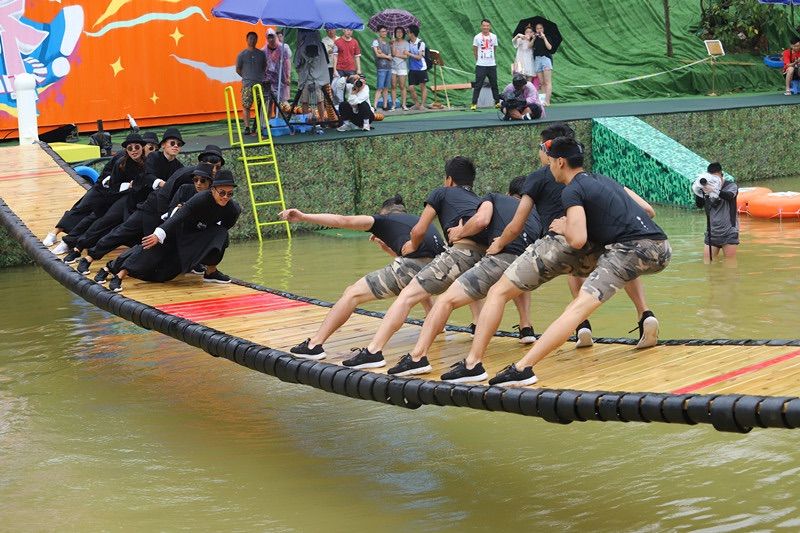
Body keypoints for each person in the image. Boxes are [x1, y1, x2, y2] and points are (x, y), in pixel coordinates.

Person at [468, 138, 672, 386]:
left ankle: (524, 367)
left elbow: (577, 240)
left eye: (551, 162)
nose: (549, 167)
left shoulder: (572, 190)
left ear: (560, 162)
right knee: (592, 286)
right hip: (662, 247)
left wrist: (565, 226)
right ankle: (643, 314)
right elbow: (648, 211)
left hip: (631, 249)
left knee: (577, 307)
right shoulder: (603, 179)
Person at [342, 156, 489, 370]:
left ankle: (375, 351)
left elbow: (419, 229)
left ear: (448, 180)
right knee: (454, 292)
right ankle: (476, 333)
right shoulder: (479, 200)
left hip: (461, 252)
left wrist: (412, 244)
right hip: (484, 259)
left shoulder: (441, 193)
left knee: (407, 296)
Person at [386, 176, 542, 378]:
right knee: (499, 295)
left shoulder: (494, 198)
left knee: (445, 301)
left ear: (509, 193)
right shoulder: (537, 214)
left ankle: (419, 357)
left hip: (501, 258)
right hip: (529, 265)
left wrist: (460, 232)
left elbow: (481, 221)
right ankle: (525, 327)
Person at [281, 195, 446, 361]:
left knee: (352, 293)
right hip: (441, 269)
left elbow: (342, 220)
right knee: (414, 282)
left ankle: (314, 345)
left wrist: (303, 216)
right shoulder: (419, 221)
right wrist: (384, 245)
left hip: (415, 266)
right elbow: (412, 257)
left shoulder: (383, 219)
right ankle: (436, 326)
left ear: (384, 212)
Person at [105, 170, 241, 292]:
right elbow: (179, 216)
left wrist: (204, 239)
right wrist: (159, 234)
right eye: (222, 193)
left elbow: (225, 226)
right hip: (176, 231)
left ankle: (211, 272)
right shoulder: (200, 198)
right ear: (213, 190)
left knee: (221, 234)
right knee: (151, 249)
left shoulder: (233, 209)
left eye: (229, 194)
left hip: (194, 236)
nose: (225, 197)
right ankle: (118, 274)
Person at [77, 161, 219, 278]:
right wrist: (166, 220)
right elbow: (165, 193)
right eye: (214, 166)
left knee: (152, 249)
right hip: (155, 207)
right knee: (129, 235)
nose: (199, 183)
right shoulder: (185, 176)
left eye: (218, 166)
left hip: (170, 218)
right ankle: (90, 258)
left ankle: (120, 270)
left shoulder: (212, 191)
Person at [62, 133, 148, 263]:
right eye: (130, 148)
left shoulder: (150, 162)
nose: (134, 150)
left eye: (137, 147)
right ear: (126, 150)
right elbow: (112, 185)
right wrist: (128, 185)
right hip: (121, 198)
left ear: (142, 148)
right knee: (103, 220)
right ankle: (78, 248)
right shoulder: (121, 164)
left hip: (141, 202)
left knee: (126, 231)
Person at [692, 162, 739, 261]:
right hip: (712, 232)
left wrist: (715, 190)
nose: (714, 181)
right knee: (708, 262)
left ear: (721, 175)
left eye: (716, 179)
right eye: (711, 179)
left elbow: (729, 196)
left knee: (730, 265)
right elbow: (699, 205)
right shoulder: (706, 188)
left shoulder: (731, 185)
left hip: (729, 231)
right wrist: (700, 191)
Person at [236, 31, 268, 136]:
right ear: (246, 39)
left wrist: (258, 77)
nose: (252, 40)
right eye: (250, 38)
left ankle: (259, 126)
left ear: (257, 40)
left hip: (259, 84)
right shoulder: (241, 54)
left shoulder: (261, 54)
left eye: (254, 38)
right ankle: (247, 127)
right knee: (246, 106)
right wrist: (246, 77)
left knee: (260, 106)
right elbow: (238, 69)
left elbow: (264, 67)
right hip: (247, 85)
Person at [296, 29, 330, 122]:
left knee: (315, 100)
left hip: (313, 78)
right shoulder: (305, 46)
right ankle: (310, 120)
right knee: (308, 100)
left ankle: (317, 120)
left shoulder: (303, 46)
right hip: (310, 78)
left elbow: (297, 63)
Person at [470, 19, 500, 111]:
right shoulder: (477, 37)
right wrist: (478, 60)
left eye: (487, 25)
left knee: (494, 83)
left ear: (490, 27)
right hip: (481, 65)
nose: (485, 27)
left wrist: (492, 58)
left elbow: (494, 48)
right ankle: (474, 103)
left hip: (491, 64)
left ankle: (497, 102)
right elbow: (475, 49)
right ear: (481, 26)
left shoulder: (494, 37)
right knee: (478, 84)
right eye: (484, 25)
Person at [264, 28, 292, 103]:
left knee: (282, 102)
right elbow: (263, 66)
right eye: (269, 37)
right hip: (270, 81)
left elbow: (287, 63)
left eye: (272, 37)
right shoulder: (264, 50)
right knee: (269, 102)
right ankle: (270, 115)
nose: (271, 39)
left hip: (281, 79)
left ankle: (281, 114)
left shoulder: (283, 48)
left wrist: (288, 76)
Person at [406, 25, 428, 110]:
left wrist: (409, 54)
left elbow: (419, 57)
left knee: (423, 87)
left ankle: (422, 104)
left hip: (421, 68)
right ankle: (417, 104)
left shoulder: (421, 43)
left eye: (408, 32)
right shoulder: (407, 43)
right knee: (411, 87)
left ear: (412, 33)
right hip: (412, 69)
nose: (407, 33)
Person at [533, 22, 554, 106]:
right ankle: (543, 100)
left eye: (540, 28)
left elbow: (550, 48)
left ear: (543, 29)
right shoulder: (534, 38)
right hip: (537, 60)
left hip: (545, 59)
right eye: (537, 28)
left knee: (547, 82)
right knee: (541, 82)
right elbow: (530, 47)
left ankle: (547, 101)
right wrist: (534, 38)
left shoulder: (547, 37)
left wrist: (544, 38)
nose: (539, 30)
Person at [372, 26, 393, 111]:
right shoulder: (375, 42)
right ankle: (375, 106)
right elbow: (377, 54)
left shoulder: (387, 43)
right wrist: (387, 56)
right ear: (379, 32)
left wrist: (386, 55)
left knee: (386, 87)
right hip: (381, 67)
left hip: (388, 67)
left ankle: (385, 105)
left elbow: (390, 55)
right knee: (379, 87)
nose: (384, 33)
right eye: (382, 31)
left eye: (385, 31)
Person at [391, 27, 410, 111]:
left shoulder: (406, 43)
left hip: (402, 67)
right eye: (397, 32)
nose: (399, 33)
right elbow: (392, 54)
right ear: (395, 33)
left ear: (403, 33)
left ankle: (404, 105)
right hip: (393, 67)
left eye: (400, 32)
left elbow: (406, 56)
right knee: (393, 86)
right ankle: (394, 105)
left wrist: (397, 55)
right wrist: (392, 45)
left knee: (402, 86)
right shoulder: (392, 42)